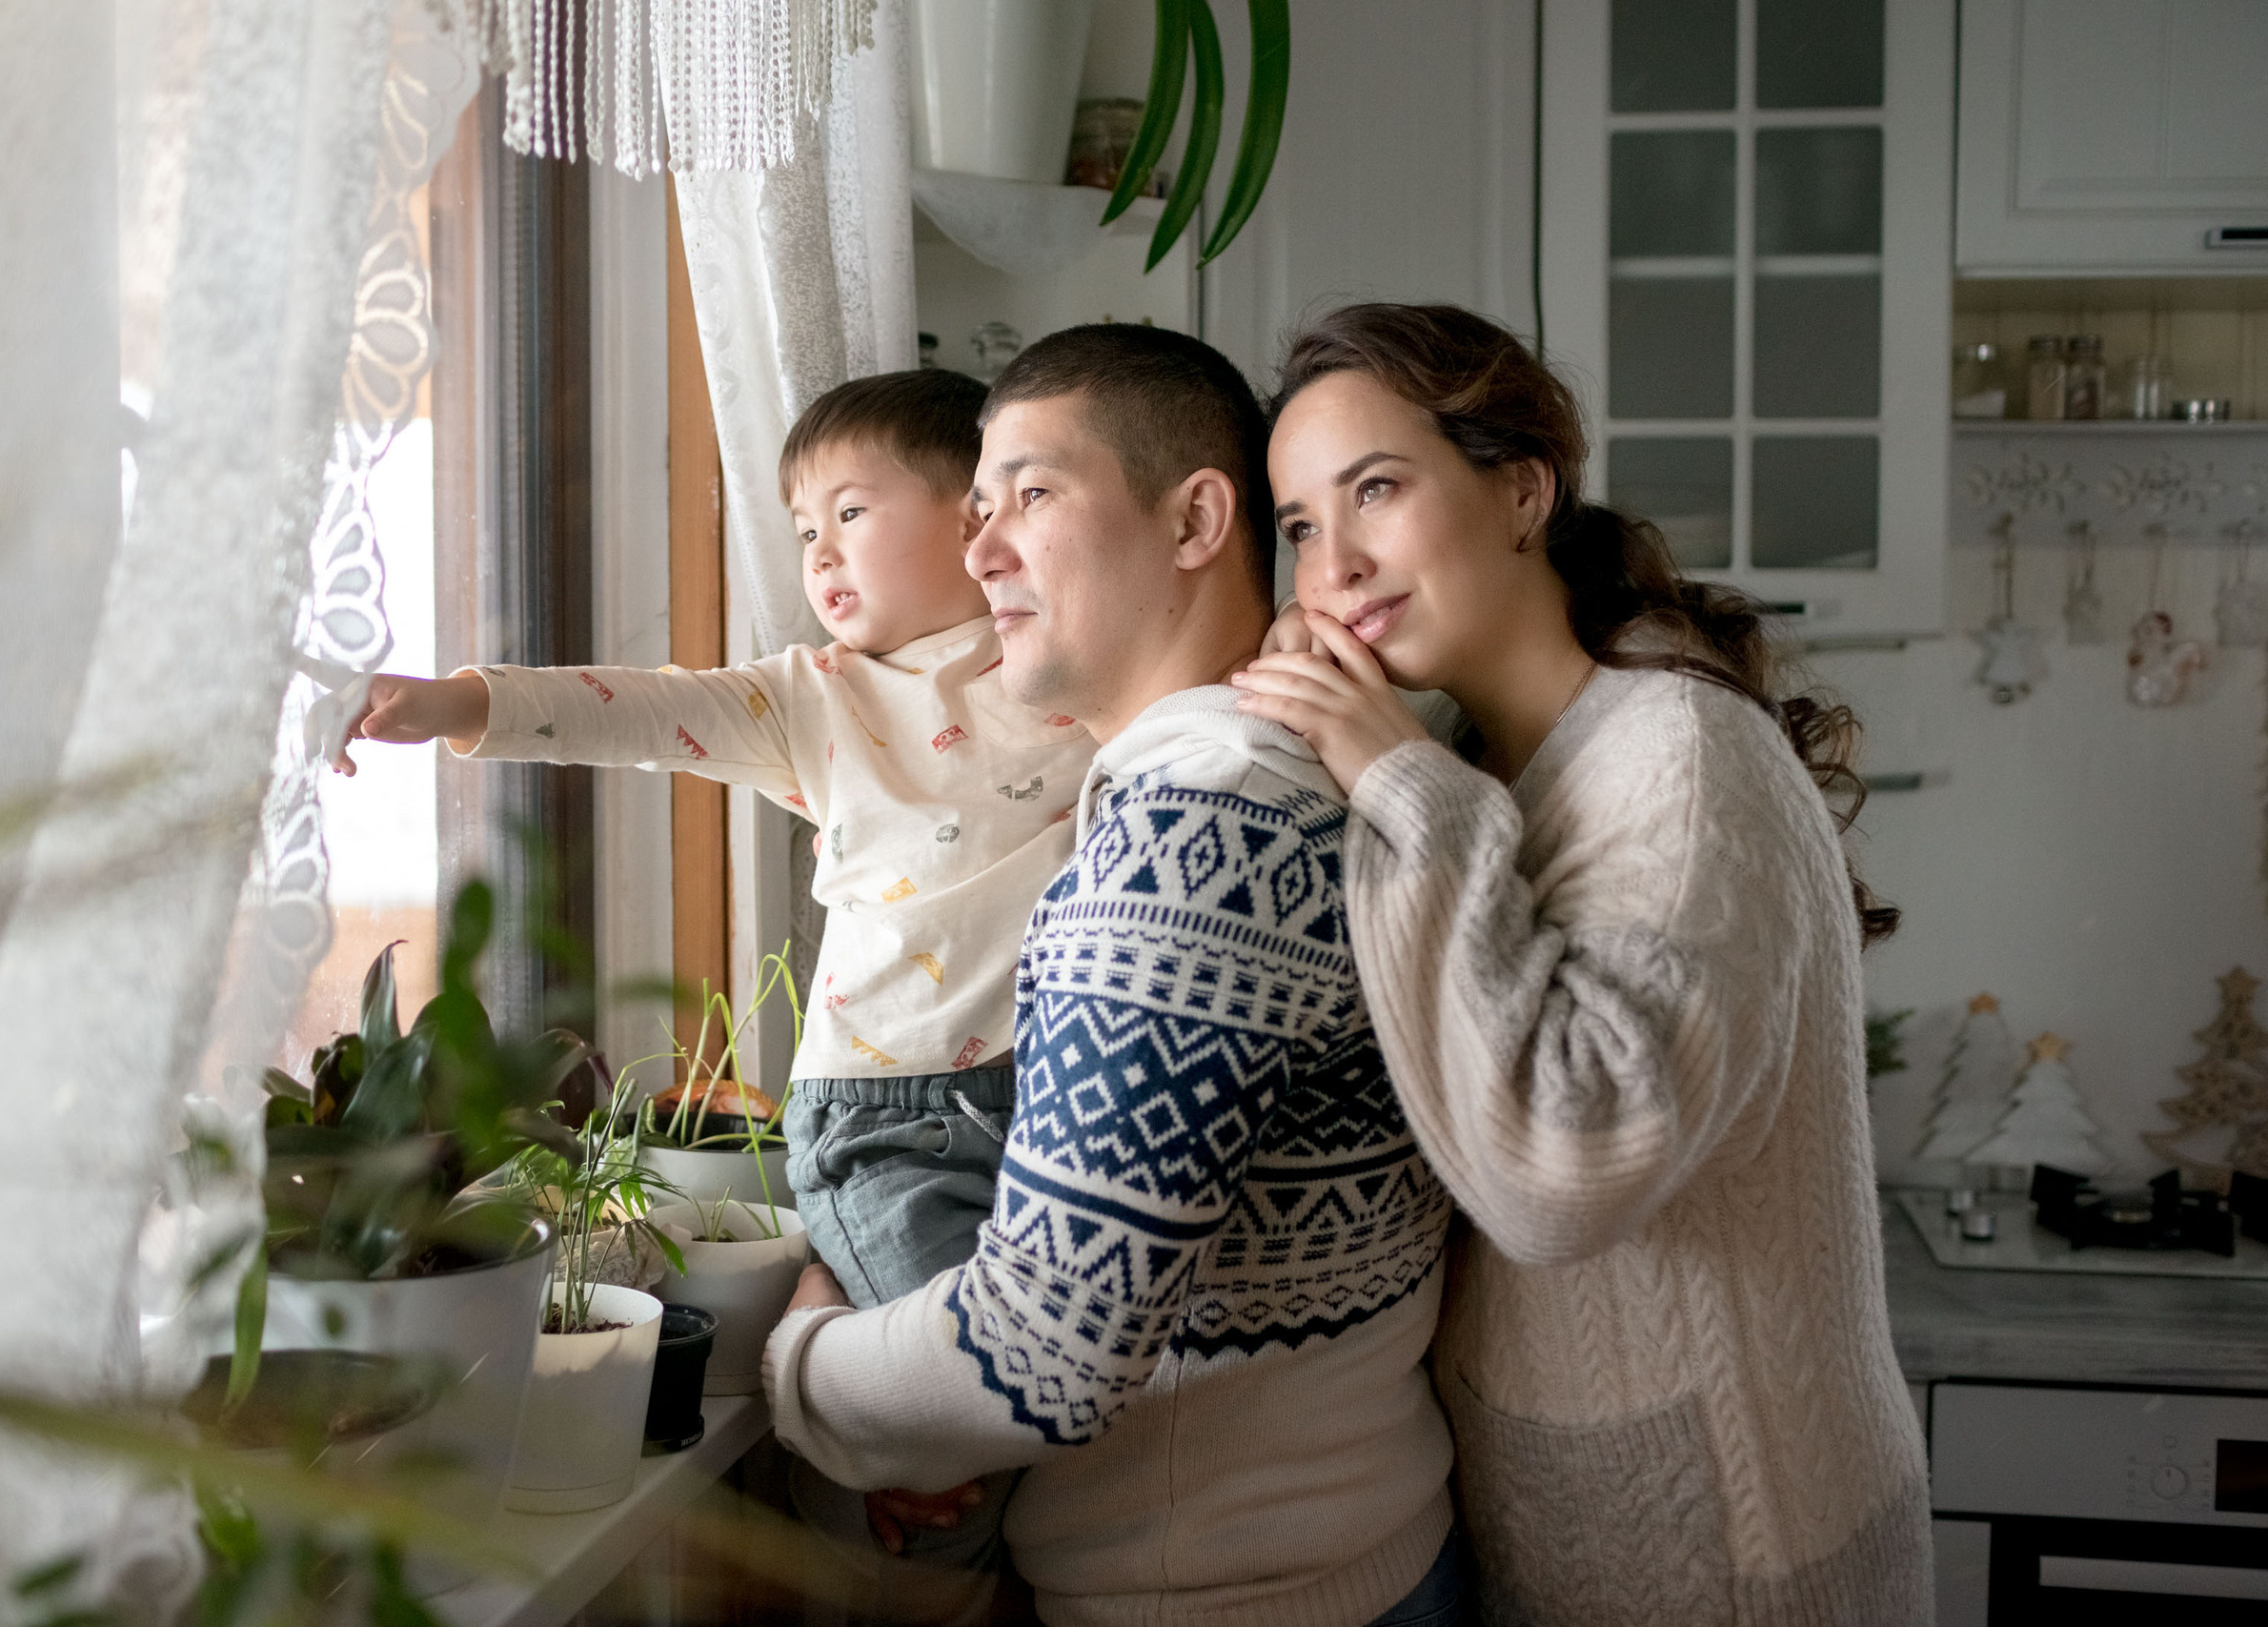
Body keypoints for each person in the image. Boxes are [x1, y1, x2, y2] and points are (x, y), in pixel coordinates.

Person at [1231, 302, 1933, 1625]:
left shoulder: (1676, 752)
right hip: (1580, 1540)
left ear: (1521, 491)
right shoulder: (1488, 751)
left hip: (1735, 1554)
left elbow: (1562, 1169)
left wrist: (1393, 780)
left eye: (1377, 487)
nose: (1336, 563)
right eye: (1304, 526)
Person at [334, 367, 1095, 1582]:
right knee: (961, 1406)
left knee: (1041, 1373)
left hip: (1038, 1107)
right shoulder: (820, 699)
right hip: (882, 1120)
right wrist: (456, 702)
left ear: (976, 517)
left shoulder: (1074, 676)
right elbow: (640, 710)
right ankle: (922, 1519)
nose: (819, 553)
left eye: (850, 512)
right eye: (803, 529)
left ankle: (913, 1495)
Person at [766, 325, 1469, 1627]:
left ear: (1198, 516)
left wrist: (797, 1357)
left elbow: (1040, 1352)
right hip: (1343, 1549)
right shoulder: (1297, 758)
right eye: (976, 507)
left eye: (1031, 495)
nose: (981, 550)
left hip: (1226, 1592)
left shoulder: (1194, 830)